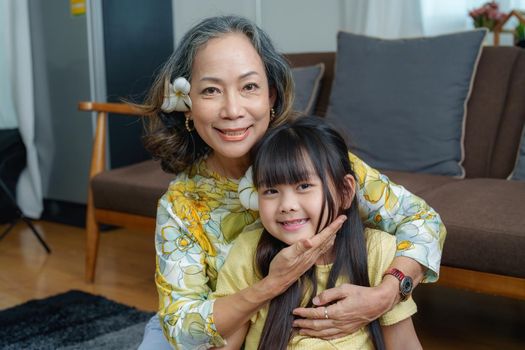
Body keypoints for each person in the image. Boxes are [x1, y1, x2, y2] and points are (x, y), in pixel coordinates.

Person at [138, 15, 445, 350]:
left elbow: (420, 219)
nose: (232, 109)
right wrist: (271, 284)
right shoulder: (181, 205)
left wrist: (385, 295)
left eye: (249, 87)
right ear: (188, 104)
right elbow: (182, 327)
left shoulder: (316, 162)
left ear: (271, 96)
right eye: (211, 90)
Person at [211, 116, 422, 349]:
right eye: (271, 190)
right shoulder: (249, 250)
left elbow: (404, 344)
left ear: (345, 191)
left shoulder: (376, 249)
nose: (286, 205)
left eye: (304, 186)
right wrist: (272, 283)